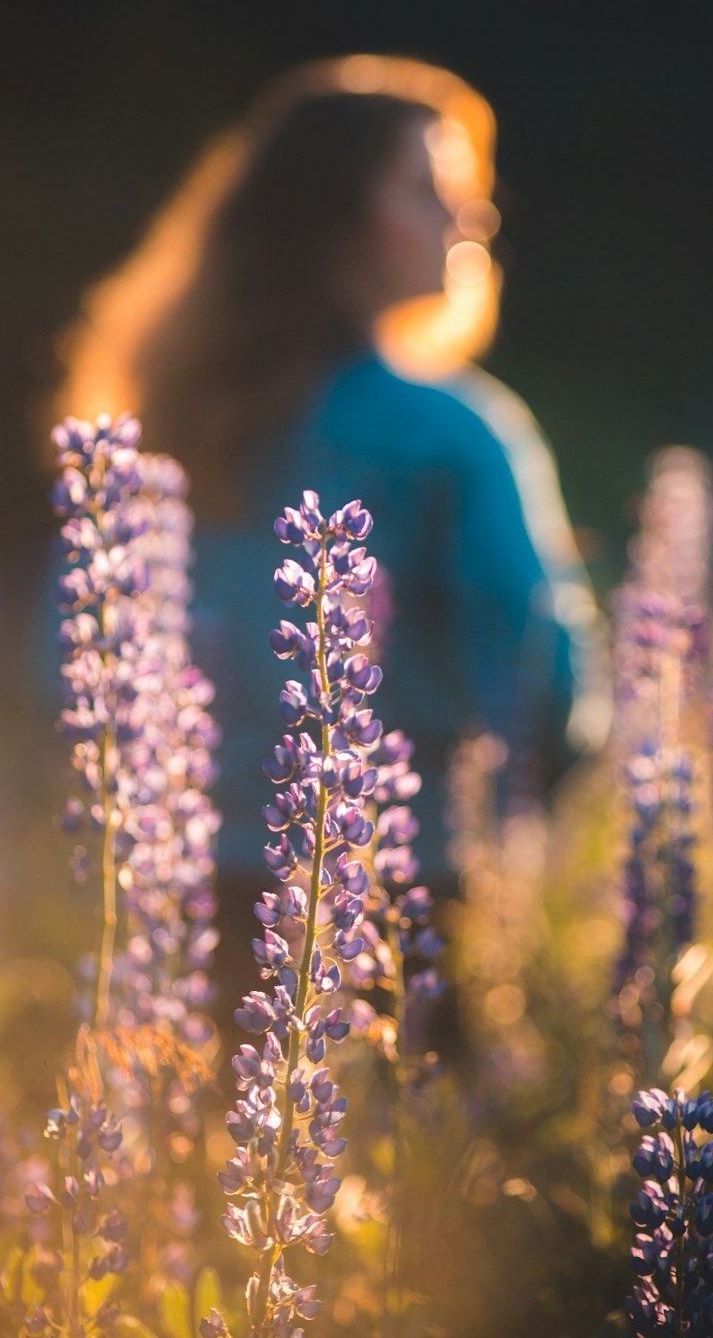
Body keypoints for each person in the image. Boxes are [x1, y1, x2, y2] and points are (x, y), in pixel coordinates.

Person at [55, 55, 606, 882]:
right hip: (395, 894)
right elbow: (548, 686)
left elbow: (61, 664)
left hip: (179, 895)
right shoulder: (451, 430)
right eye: (429, 188)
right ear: (336, 217)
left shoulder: (154, 419)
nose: (473, 215)